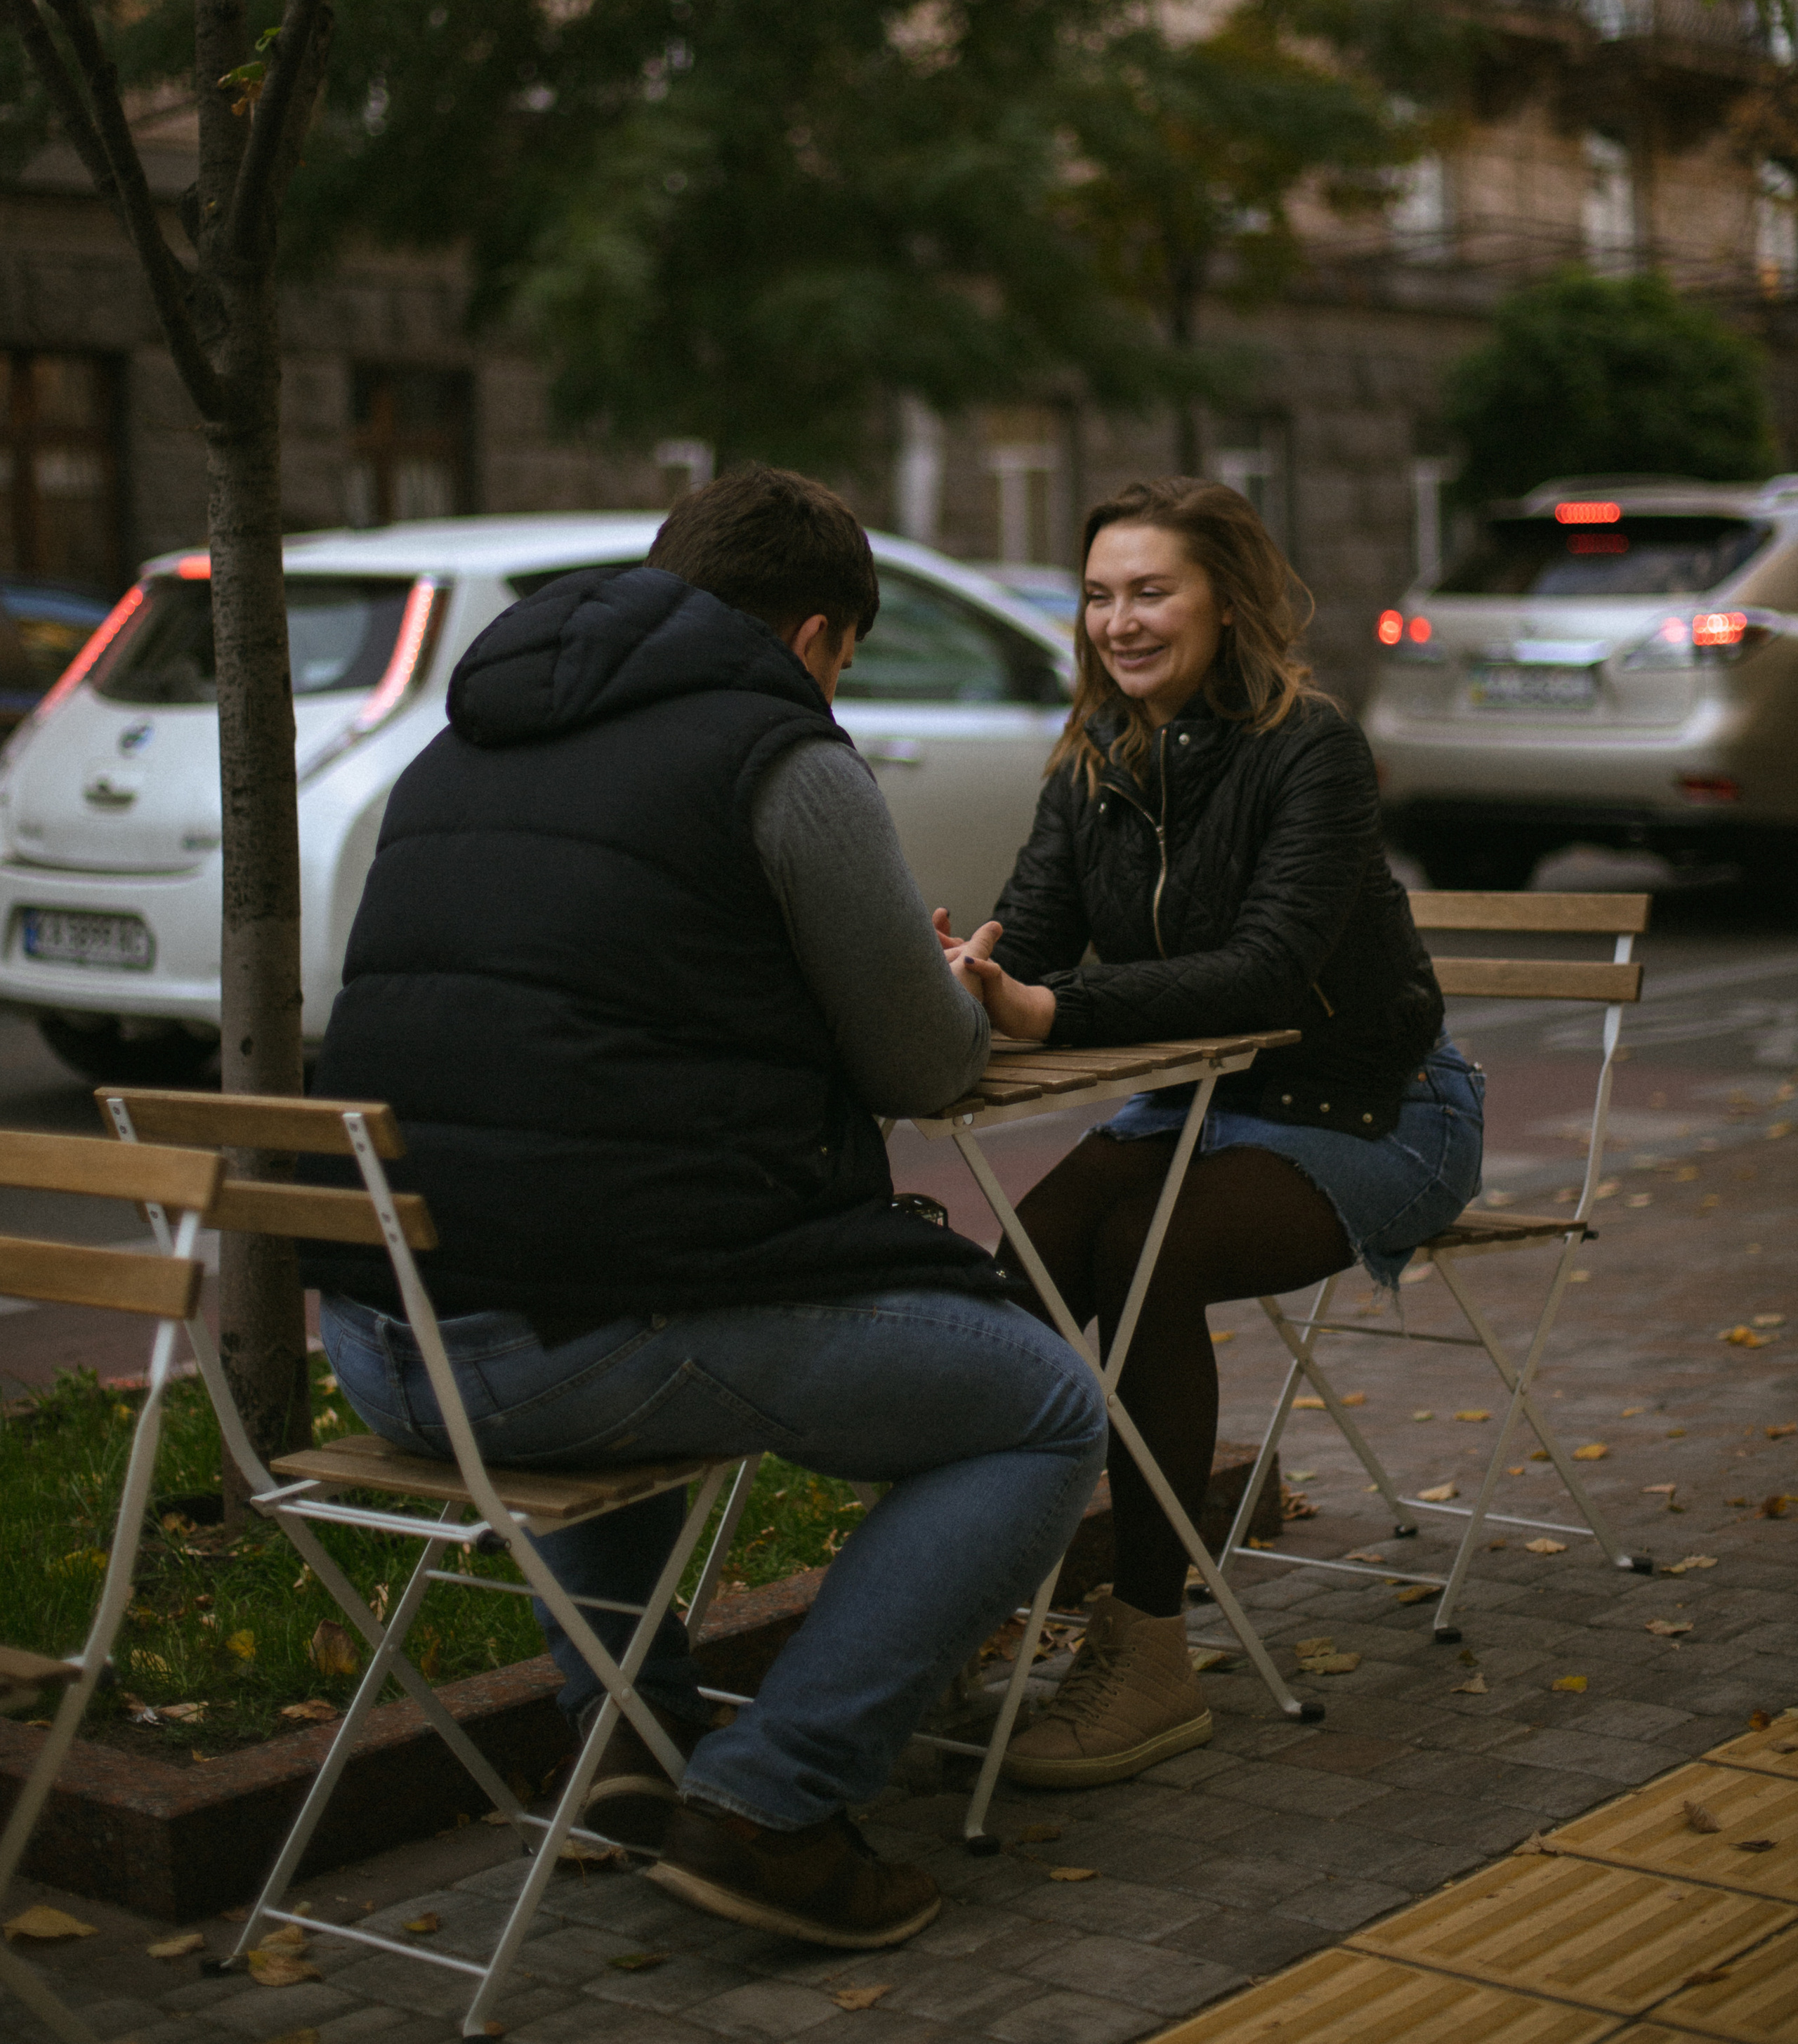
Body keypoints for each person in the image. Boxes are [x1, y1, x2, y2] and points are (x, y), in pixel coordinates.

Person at [303, 467, 1106, 1948]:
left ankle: (627, 1743)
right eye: (848, 665)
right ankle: (772, 1801)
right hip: (563, 1347)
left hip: (378, 1329)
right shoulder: (779, 758)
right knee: (1044, 1409)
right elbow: (925, 1068)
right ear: (814, 639)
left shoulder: (456, 746)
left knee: (626, 1284)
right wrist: (929, 984)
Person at [941, 476, 1481, 1788]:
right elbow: (1037, 941)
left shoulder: (1313, 747)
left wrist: (1049, 1008)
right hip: (1201, 1102)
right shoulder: (1093, 762)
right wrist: (966, 976)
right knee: (1021, 1268)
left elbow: (1268, 972)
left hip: (1379, 1109)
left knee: (1143, 1255)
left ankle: (1149, 1648)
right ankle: (955, 1610)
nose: (1118, 621)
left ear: (1225, 601)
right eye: (1099, 594)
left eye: (1151, 591)